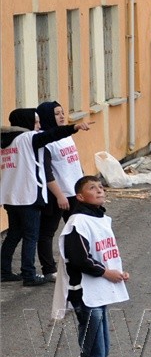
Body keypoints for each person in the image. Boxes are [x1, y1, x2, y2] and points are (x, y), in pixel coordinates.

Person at [57, 175, 130, 357]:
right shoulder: (78, 222)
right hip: (85, 295)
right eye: (92, 188)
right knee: (94, 351)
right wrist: (105, 272)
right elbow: (78, 259)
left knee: (101, 348)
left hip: (98, 292)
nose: (99, 191)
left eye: (100, 187)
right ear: (80, 196)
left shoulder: (99, 218)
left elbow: (103, 254)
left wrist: (117, 272)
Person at [2, 109, 88, 286]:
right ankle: (29, 275)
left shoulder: (6, 142)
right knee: (31, 236)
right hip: (28, 195)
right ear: (26, 123)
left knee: (14, 234)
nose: (39, 126)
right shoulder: (28, 139)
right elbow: (52, 135)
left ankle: (4, 271)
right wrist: (74, 127)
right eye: (35, 122)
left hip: (10, 196)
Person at [35, 102, 82, 280]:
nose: (62, 116)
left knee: (77, 230)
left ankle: (76, 264)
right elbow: (46, 173)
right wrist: (60, 195)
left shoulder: (67, 135)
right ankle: (49, 269)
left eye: (63, 112)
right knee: (47, 232)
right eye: (56, 114)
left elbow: (75, 163)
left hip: (74, 192)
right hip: (57, 195)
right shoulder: (44, 141)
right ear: (47, 116)